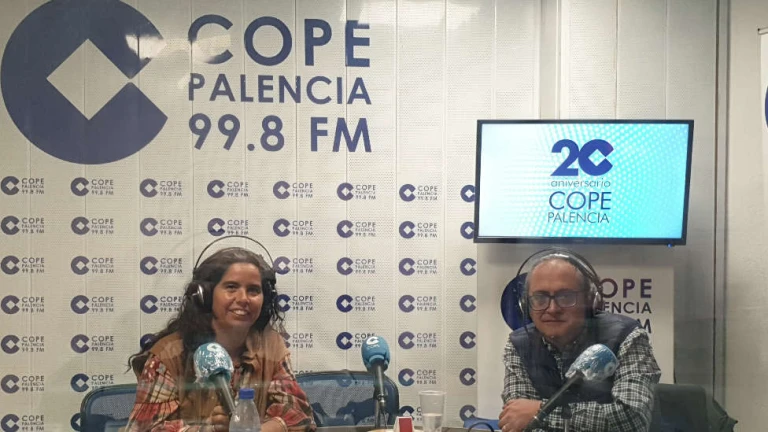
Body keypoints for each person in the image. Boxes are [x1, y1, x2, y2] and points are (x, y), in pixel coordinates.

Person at [126, 247, 316, 432]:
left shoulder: (270, 345)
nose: (243, 299)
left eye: (253, 290)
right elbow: (144, 429)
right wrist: (208, 429)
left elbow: (300, 416)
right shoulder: (168, 355)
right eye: (231, 287)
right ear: (206, 296)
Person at [498, 251, 661, 432]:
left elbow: (633, 420)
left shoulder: (627, 337)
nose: (552, 308)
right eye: (540, 298)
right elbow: (518, 420)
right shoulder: (519, 345)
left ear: (590, 301)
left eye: (565, 297)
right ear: (526, 304)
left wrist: (541, 412)